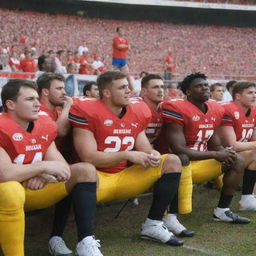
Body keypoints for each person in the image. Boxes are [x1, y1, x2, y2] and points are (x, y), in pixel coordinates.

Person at [69, 71, 184, 250]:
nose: (129, 91)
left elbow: (146, 148)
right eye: (122, 87)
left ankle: (152, 224)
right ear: (106, 93)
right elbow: (89, 157)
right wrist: (126, 154)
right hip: (96, 180)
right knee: (86, 169)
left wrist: (151, 155)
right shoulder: (88, 111)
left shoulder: (136, 112)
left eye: (128, 87)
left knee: (172, 161)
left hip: (124, 177)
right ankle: (85, 240)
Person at [0, 79, 101, 256]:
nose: (37, 104)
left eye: (37, 99)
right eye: (30, 99)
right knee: (10, 189)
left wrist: (44, 175)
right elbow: (5, 173)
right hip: (7, 194)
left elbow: (62, 168)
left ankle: (85, 241)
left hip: (35, 188)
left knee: (85, 170)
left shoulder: (43, 125)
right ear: (10, 104)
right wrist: (43, 167)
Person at [161, 72, 250, 224]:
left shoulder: (214, 109)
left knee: (237, 160)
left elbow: (214, 143)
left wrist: (225, 152)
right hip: (180, 164)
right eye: (199, 86)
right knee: (180, 158)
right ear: (188, 92)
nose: (205, 88)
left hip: (202, 160)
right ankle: (171, 216)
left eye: (206, 85)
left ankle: (222, 211)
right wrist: (215, 154)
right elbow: (179, 149)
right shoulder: (176, 108)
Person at [140, 73, 194, 237]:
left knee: (175, 159)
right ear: (143, 91)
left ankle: (171, 217)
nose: (160, 90)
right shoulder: (137, 107)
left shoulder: (164, 108)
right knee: (173, 161)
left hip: (152, 155)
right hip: (134, 156)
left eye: (162, 87)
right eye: (155, 87)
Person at [218, 81, 256, 211]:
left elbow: (253, 139)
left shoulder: (253, 111)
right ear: (238, 96)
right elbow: (232, 145)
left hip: (238, 154)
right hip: (219, 156)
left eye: (255, 92)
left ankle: (250, 198)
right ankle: (247, 198)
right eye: (250, 93)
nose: (254, 96)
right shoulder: (228, 110)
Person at [37, 72, 72, 138]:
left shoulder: (57, 109)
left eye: (64, 88)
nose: (64, 92)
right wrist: (67, 107)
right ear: (45, 92)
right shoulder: (37, 111)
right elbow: (59, 133)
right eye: (59, 89)